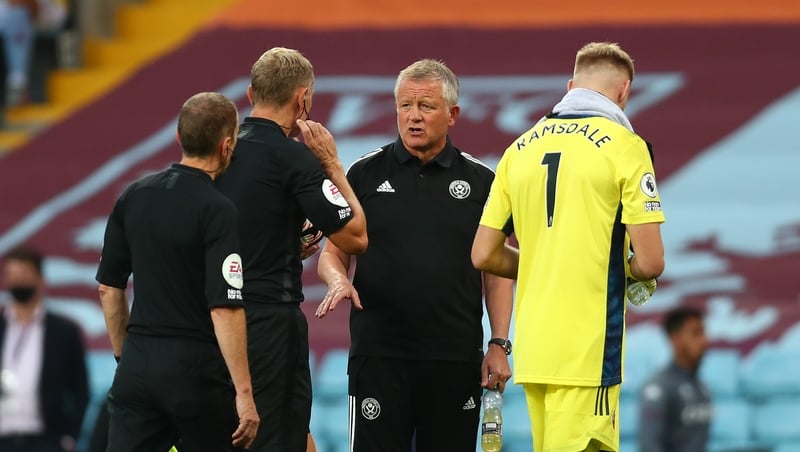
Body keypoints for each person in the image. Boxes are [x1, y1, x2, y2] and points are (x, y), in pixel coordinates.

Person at [471, 41, 666, 452]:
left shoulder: (518, 149)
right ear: (624, 90)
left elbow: (483, 254)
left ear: (570, 84)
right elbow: (650, 261)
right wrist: (616, 268)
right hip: (587, 352)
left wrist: (547, 262)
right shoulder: (626, 147)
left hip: (537, 352)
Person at [315, 58, 514, 452]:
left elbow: (498, 271)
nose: (414, 117)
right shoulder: (364, 174)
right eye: (405, 106)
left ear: (453, 114)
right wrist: (338, 279)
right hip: (380, 355)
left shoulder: (482, 182)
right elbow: (332, 253)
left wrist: (499, 343)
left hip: (455, 358)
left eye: (426, 106)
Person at [215, 46, 367, 452]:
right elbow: (355, 236)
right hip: (268, 324)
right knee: (279, 436)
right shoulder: (295, 160)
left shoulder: (218, 154)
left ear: (250, 94)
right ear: (304, 100)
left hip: (209, 320)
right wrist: (332, 164)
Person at [95, 92, 259, 452]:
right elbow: (224, 307)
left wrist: (128, 358)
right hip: (194, 369)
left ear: (178, 136)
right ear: (227, 145)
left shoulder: (133, 195)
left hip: (137, 364)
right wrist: (244, 394)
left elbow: (109, 288)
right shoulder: (216, 209)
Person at [0, 245, 89, 452]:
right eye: (12, 275)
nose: (18, 281)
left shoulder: (63, 331)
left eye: (24, 274)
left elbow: (80, 389)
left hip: (47, 440)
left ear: (41, 278)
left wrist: (69, 436)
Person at [639, 306, 711, 452]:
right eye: (696, 333)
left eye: (703, 332)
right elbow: (649, 446)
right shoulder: (659, 388)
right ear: (675, 338)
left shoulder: (702, 388)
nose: (704, 341)